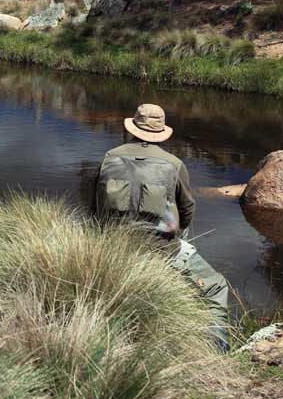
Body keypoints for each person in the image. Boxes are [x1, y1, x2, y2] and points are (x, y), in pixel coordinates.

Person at [93, 103, 230, 351]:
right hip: (161, 251)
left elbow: (95, 209)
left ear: (133, 127)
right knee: (215, 286)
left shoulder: (109, 158)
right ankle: (219, 351)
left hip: (113, 249)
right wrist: (176, 233)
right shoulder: (174, 164)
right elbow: (187, 211)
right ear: (161, 132)